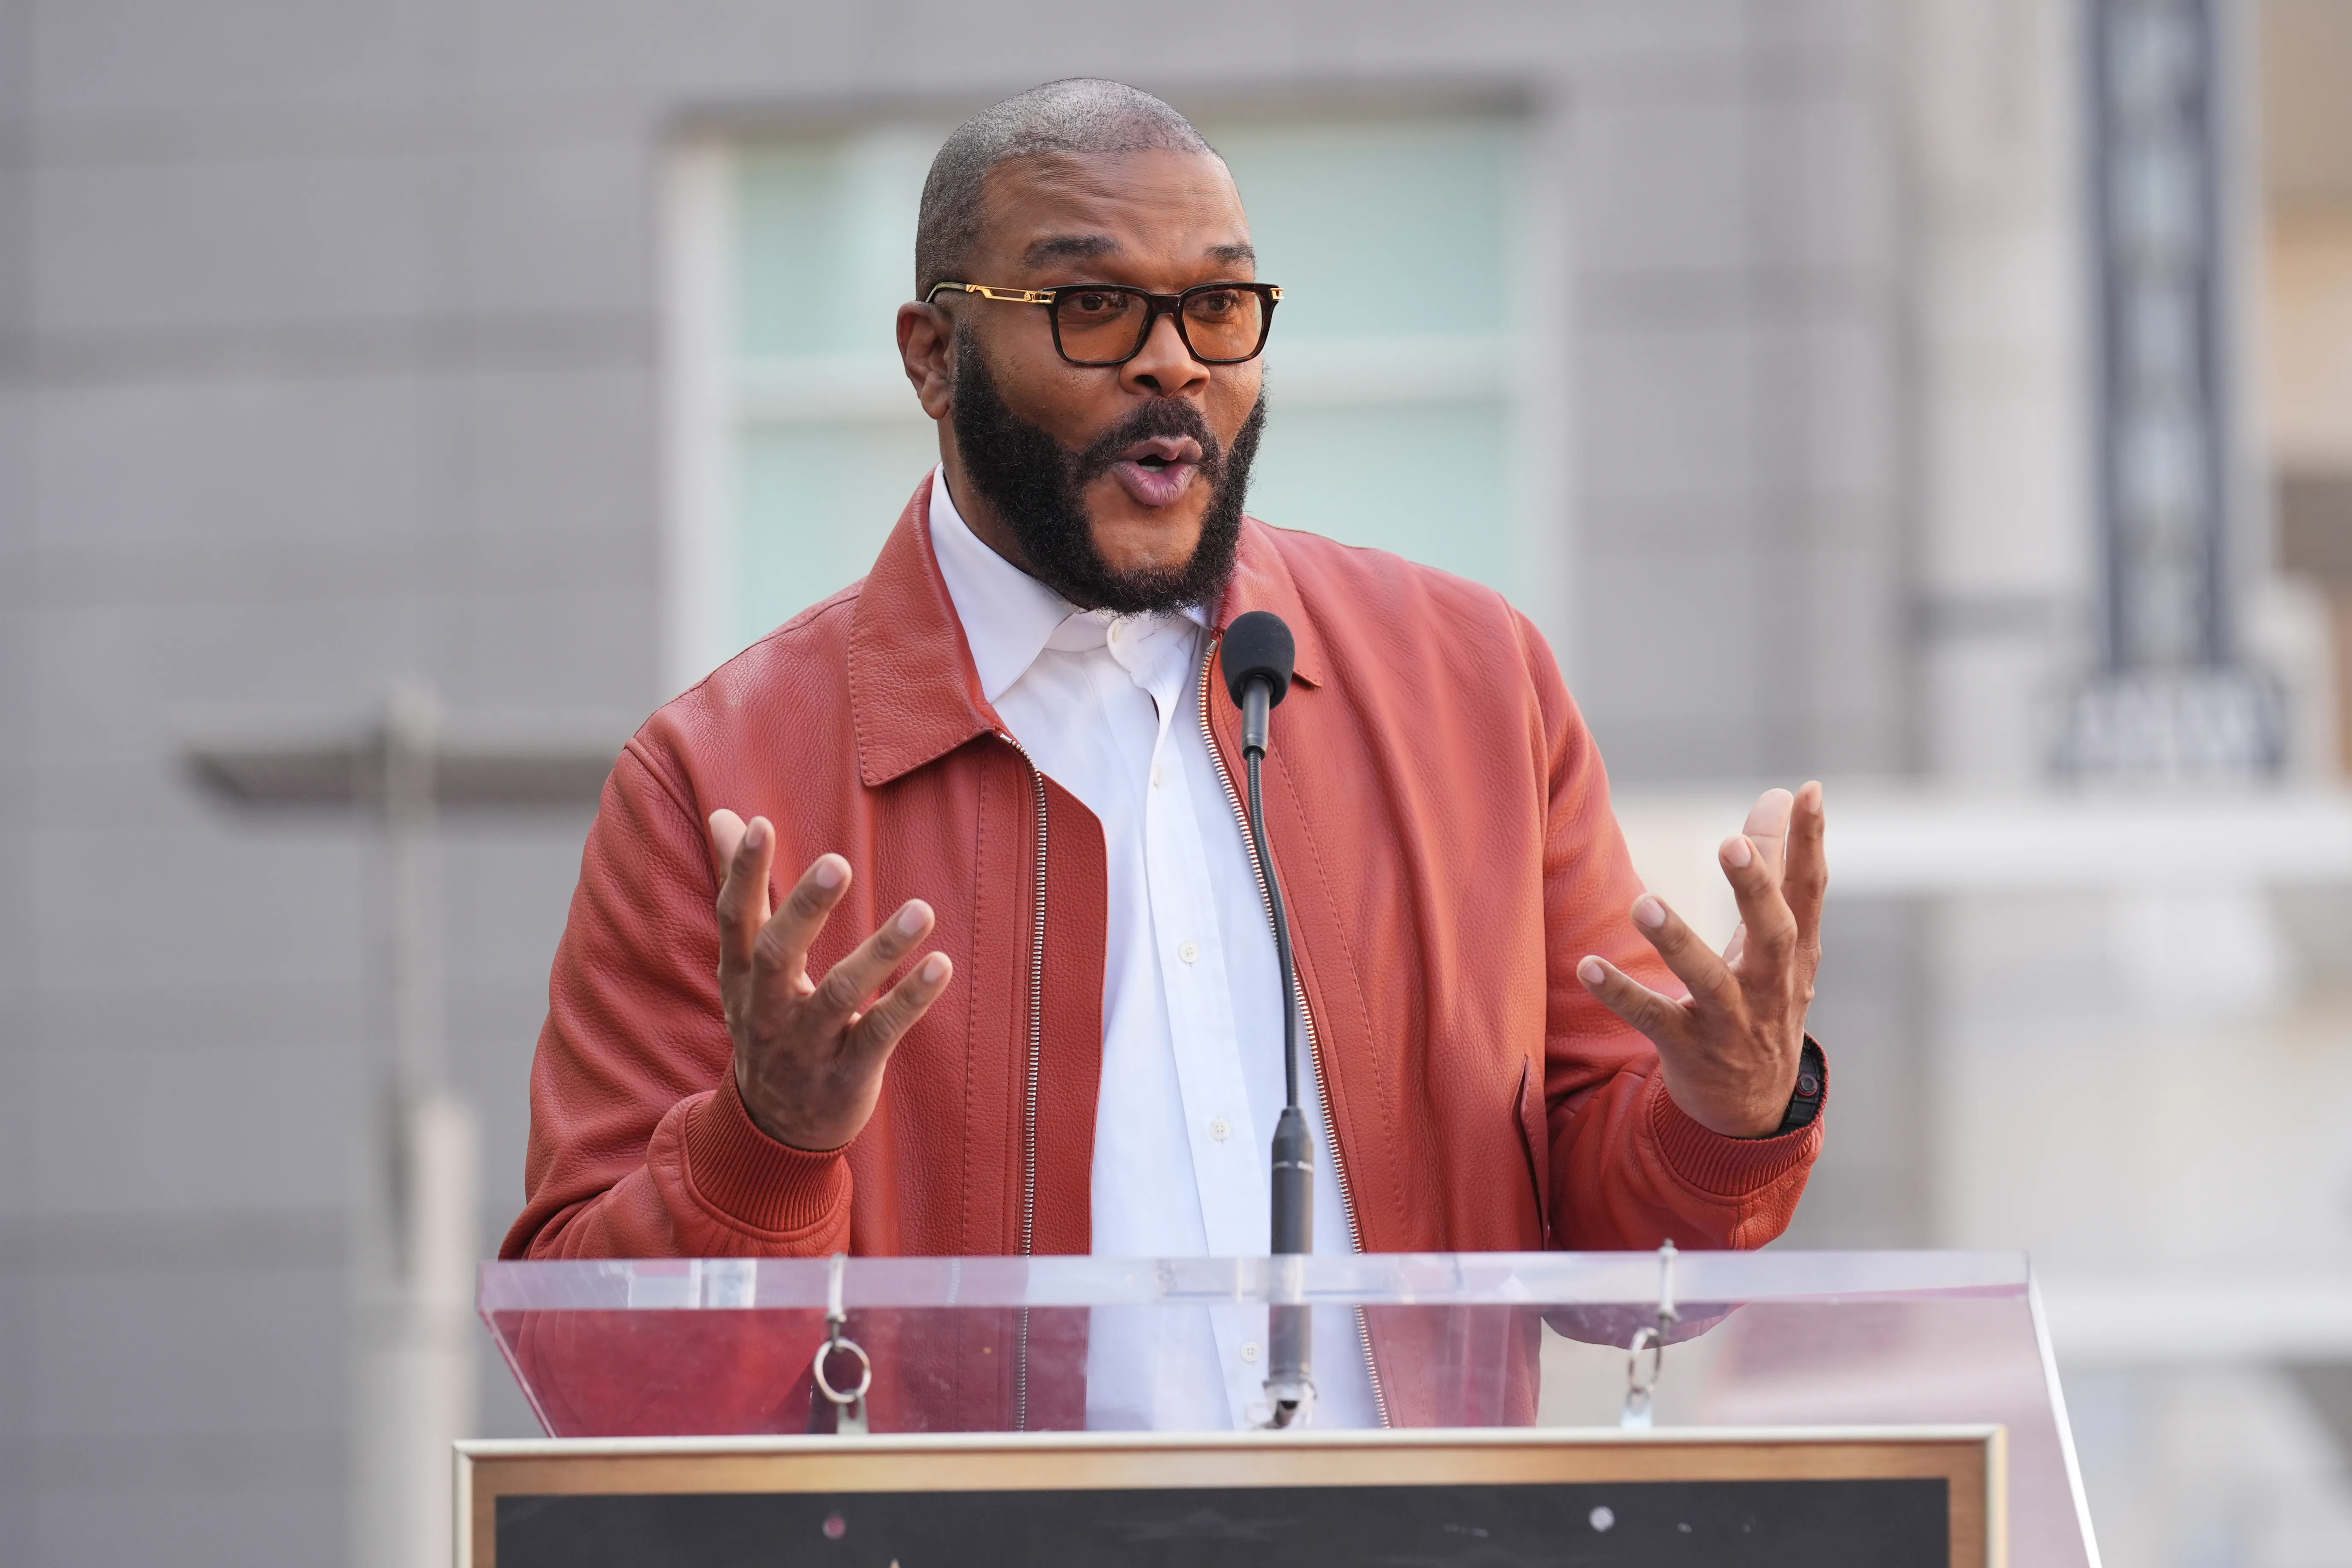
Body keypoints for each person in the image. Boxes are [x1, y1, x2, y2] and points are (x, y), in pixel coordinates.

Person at [503, 79, 1829, 1432]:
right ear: (930, 355)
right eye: (1089, 306)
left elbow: (1621, 1274)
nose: (1172, 363)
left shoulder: (1478, 684)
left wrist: (1722, 1117)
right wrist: (766, 1146)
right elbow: (601, 1384)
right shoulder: (719, 781)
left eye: (1216, 305)